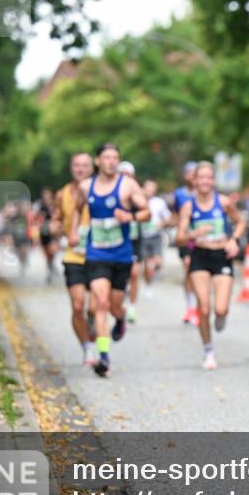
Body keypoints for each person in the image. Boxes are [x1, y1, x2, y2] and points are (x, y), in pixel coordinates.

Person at [69, 144, 150, 377]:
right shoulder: (86, 187)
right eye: (107, 157)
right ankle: (104, 357)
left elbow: (147, 212)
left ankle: (122, 317)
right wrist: (74, 231)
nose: (112, 162)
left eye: (116, 158)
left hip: (121, 256)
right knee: (101, 303)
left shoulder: (128, 185)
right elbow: (76, 209)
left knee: (114, 306)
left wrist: (131, 216)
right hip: (96, 255)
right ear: (98, 161)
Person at [174, 161, 246, 370]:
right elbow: (179, 237)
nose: (205, 181)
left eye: (209, 177)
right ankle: (208, 350)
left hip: (221, 255)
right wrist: (193, 234)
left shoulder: (223, 202)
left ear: (213, 181)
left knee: (220, 308)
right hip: (200, 256)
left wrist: (234, 240)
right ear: (194, 180)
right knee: (203, 308)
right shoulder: (188, 206)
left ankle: (221, 317)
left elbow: (240, 222)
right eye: (201, 177)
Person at [52, 152, 98, 367]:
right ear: (71, 168)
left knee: (94, 308)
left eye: (85, 165)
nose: (80, 169)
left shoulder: (101, 189)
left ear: (93, 167)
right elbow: (56, 219)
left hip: (99, 254)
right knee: (78, 306)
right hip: (74, 255)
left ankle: (93, 323)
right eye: (76, 165)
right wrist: (57, 229)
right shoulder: (63, 193)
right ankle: (87, 347)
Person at [172, 162, 199, 325]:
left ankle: (198, 305)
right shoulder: (179, 194)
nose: (191, 175)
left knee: (198, 273)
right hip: (186, 238)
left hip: (202, 239)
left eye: (194, 172)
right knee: (189, 268)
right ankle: (190, 307)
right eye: (188, 172)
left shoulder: (205, 191)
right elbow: (175, 213)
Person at [117, 161, 142, 323]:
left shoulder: (137, 194)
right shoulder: (110, 193)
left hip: (134, 240)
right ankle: (120, 304)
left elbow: (147, 214)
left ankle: (132, 306)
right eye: (122, 174)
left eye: (128, 175)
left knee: (134, 273)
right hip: (115, 241)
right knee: (120, 277)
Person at [140, 179, 172, 298]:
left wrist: (162, 224)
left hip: (156, 236)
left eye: (152, 189)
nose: (149, 192)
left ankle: (150, 277)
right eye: (147, 189)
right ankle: (148, 285)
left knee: (158, 263)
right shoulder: (138, 201)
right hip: (142, 237)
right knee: (147, 264)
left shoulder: (159, 202)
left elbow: (168, 218)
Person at [35, 188, 59, 283]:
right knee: (47, 253)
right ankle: (50, 267)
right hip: (44, 231)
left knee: (53, 250)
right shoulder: (41, 207)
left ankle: (52, 264)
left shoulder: (54, 205)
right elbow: (38, 219)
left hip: (53, 231)